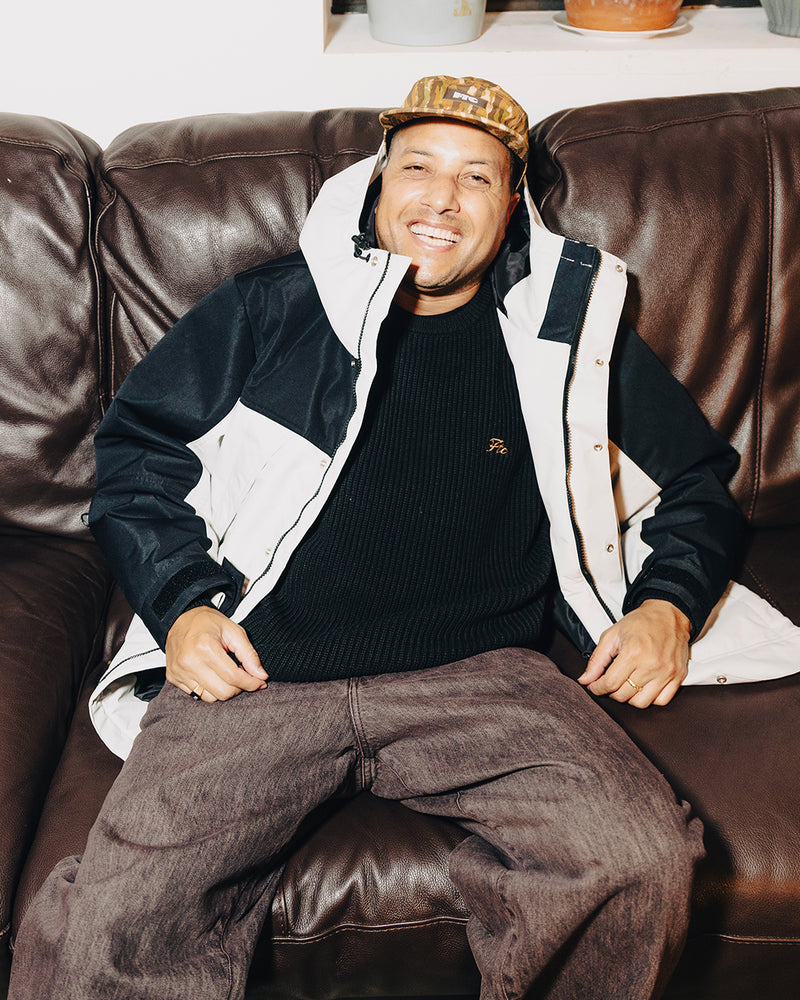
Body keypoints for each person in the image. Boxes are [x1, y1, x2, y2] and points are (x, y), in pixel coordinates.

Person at [11, 75, 748, 1000]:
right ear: (375, 185)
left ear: (510, 206)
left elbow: (697, 484)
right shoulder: (273, 308)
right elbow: (136, 457)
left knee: (636, 856)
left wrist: (668, 605)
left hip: (480, 674)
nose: (442, 200)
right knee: (121, 917)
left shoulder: (565, 337)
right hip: (259, 672)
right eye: (418, 169)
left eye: (475, 177)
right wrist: (185, 606)